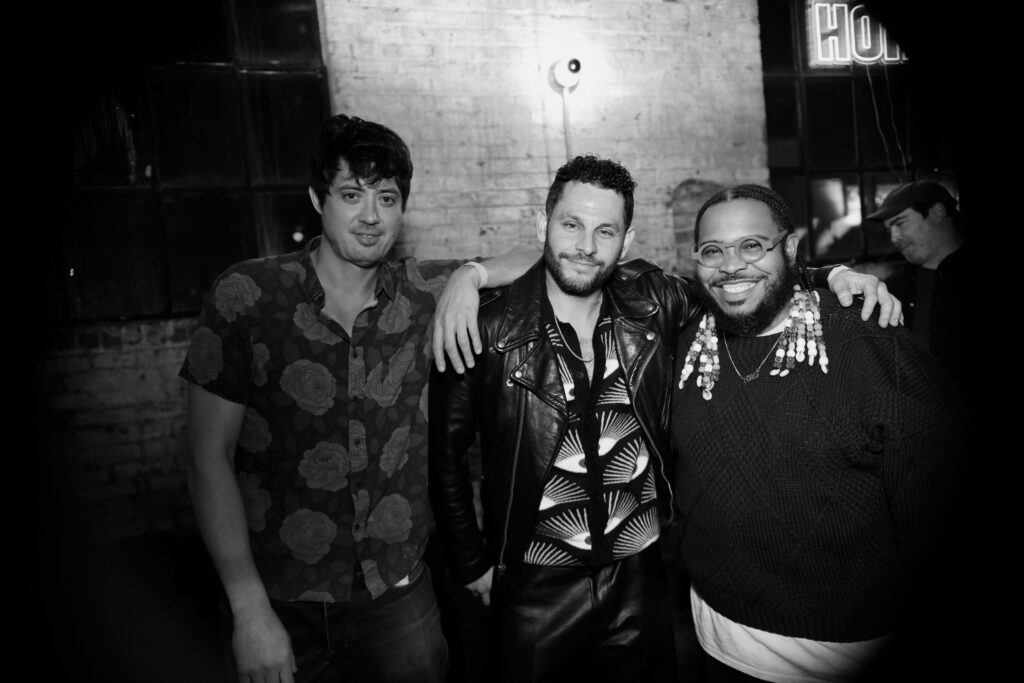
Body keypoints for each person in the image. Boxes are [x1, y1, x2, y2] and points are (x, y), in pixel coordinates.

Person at [428, 157, 902, 683]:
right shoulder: (486, 327)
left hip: (640, 576)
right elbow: (446, 456)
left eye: (605, 231)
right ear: (542, 225)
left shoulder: (655, 303)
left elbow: (741, 279)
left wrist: (834, 274)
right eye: (571, 224)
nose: (586, 245)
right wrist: (470, 562)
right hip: (532, 581)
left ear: (626, 241)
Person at [179, 113, 538, 683]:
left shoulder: (424, 293)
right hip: (278, 599)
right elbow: (207, 459)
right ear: (317, 199)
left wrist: (470, 275)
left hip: (396, 595)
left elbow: (543, 254)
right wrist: (249, 612)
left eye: (387, 198)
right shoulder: (247, 296)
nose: (371, 216)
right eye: (352, 194)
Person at [671, 184, 966, 682]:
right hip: (715, 640)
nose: (731, 266)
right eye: (713, 250)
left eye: (751, 245)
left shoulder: (867, 339)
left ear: (789, 248)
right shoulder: (688, 341)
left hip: (842, 653)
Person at [866, 180, 973, 393]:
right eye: (889, 230)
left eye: (900, 223)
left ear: (937, 212)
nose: (894, 238)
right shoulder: (892, 288)